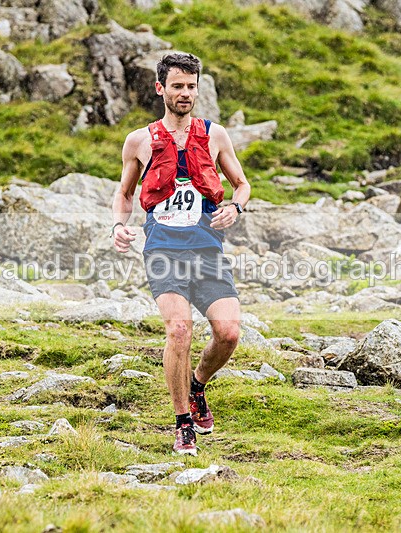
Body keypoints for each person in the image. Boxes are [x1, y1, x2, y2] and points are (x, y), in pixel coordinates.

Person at [112, 53, 251, 456]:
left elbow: (242, 184)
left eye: (191, 86)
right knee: (179, 330)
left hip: (207, 246)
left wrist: (235, 207)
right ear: (161, 89)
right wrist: (119, 226)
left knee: (228, 333)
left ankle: (196, 385)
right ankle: (182, 423)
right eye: (177, 86)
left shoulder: (215, 134)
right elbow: (124, 193)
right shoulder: (139, 141)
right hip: (163, 248)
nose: (185, 93)